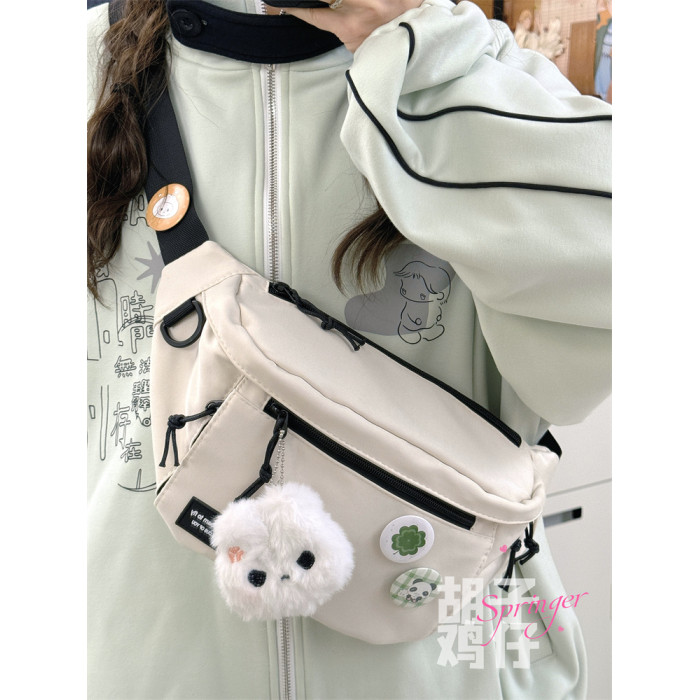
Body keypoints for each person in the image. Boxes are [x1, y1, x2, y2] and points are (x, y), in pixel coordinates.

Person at [87, 0, 611, 697]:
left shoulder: (469, 72)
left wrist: (421, 57)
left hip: (447, 666)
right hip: (143, 660)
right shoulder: (78, 65)